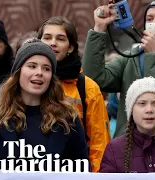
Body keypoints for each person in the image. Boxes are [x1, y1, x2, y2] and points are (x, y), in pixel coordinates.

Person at [82, 1, 155, 138]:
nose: (154, 23)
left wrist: (153, 56)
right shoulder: (131, 56)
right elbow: (94, 78)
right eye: (149, 19)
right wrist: (99, 29)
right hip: (126, 144)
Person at [0, 39, 88, 171]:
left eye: (46, 68)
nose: (39, 72)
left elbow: (80, 169)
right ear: (18, 71)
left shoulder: (67, 118)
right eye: (32, 66)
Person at [37, 16, 110, 172]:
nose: (52, 43)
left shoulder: (87, 87)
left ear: (70, 47)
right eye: (47, 37)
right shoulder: (25, 81)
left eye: (60, 38)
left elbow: (99, 141)